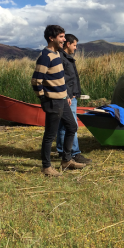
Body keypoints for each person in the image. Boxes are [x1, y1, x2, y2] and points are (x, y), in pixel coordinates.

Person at [31, 25, 86, 176]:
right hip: (53, 102)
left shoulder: (56, 55)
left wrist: (66, 96)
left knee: (72, 127)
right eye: (61, 37)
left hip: (62, 100)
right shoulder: (45, 56)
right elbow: (36, 81)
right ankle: (46, 167)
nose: (64, 40)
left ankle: (66, 161)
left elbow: (60, 80)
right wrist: (43, 98)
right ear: (51, 38)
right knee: (50, 134)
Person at [56, 34, 91, 164]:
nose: (75, 48)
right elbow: (62, 79)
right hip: (68, 97)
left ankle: (62, 151)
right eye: (75, 45)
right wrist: (68, 95)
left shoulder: (66, 58)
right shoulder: (61, 58)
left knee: (62, 125)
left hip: (69, 96)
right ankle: (74, 153)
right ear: (68, 44)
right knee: (71, 125)